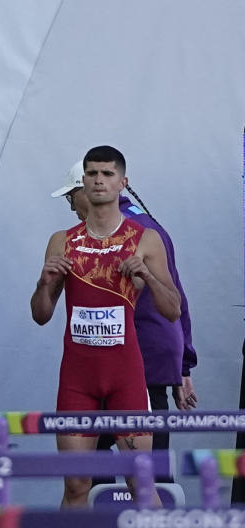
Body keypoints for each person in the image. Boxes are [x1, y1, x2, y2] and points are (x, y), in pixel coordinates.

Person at [31, 146, 181, 528]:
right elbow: (40, 314)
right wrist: (44, 281)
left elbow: (172, 310)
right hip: (77, 377)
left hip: (126, 375)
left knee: (141, 480)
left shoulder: (145, 239)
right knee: (76, 481)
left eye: (107, 174)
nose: (98, 180)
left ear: (122, 182)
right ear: (84, 182)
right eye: (92, 173)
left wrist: (149, 278)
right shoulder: (62, 240)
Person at [52, 162, 197, 484]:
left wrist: (181, 364)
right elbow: (179, 294)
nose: (72, 207)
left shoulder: (134, 233)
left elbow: (171, 298)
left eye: (70, 197)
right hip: (149, 359)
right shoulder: (149, 226)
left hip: (132, 363)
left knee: (123, 475)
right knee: (142, 474)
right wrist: (183, 364)